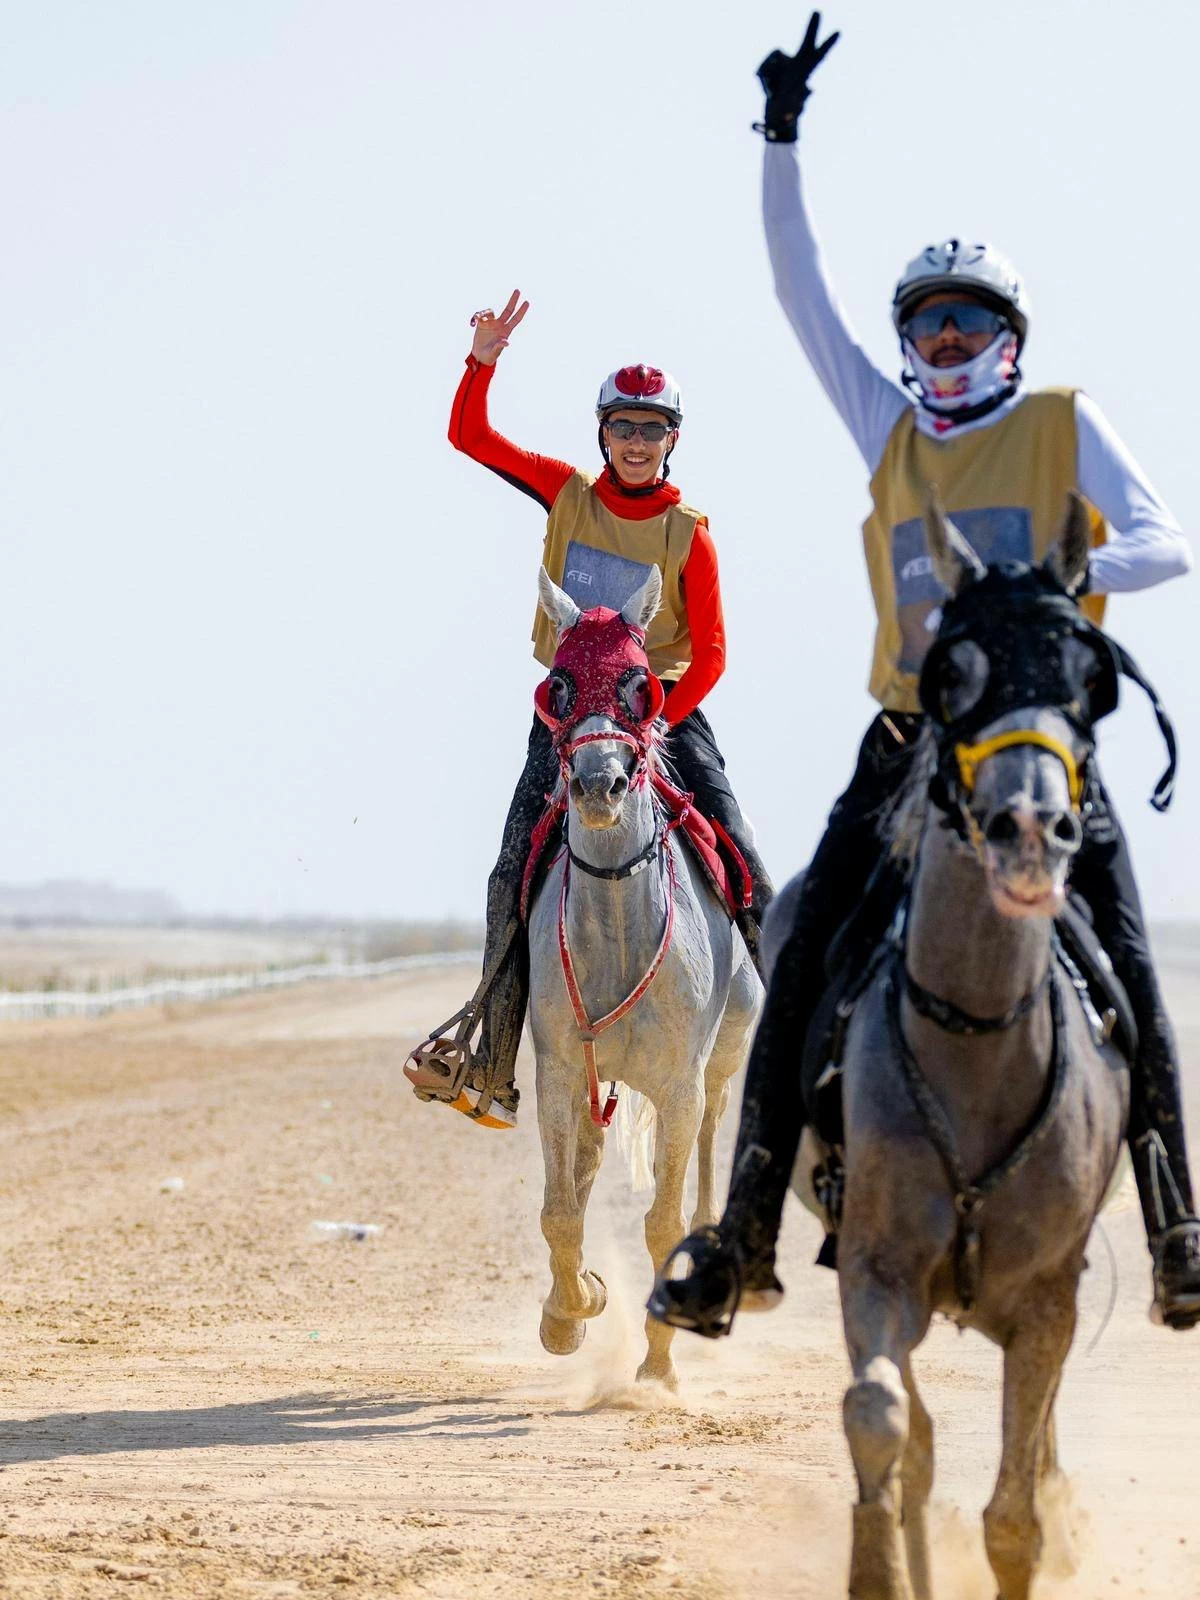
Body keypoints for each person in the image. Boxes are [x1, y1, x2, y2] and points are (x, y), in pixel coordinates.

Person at [653, 14, 1200, 1331]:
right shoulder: (887, 427)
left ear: (1008, 337)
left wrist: (1065, 586)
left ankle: (1179, 1223)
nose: (946, 344)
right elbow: (801, 293)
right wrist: (780, 139)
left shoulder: (1064, 423)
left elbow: (1165, 545)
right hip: (909, 749)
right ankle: (740, 1237)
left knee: (1126, 964)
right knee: (796, 954)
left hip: (1036, 746)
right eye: (928, 326)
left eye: (969, 325)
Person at [406, 292, 772, 1131]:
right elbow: (470, 437)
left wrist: (652, 722)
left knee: (745, 861)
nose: (636, 442)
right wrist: (483, 361)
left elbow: (710, 650)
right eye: (622, 427)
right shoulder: (566, 493)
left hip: (660, 718)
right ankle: (490, 1065)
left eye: (651, 429)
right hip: (568, 718)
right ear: (602, 433)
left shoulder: (691, 533)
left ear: (673, 438)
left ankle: (794, 1060)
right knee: (512, 870)